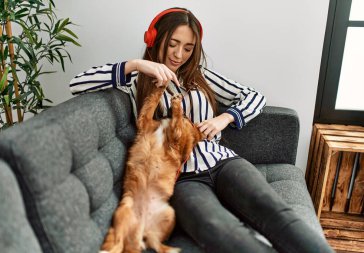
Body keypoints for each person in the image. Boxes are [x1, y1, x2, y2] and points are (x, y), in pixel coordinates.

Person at [69, 7, 334, 253]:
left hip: (223, 162)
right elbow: (77, 84)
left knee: (275, 213)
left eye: (187, 48)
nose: (178, 54)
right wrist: (137, 65)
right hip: (180, 178)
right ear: (154, 39)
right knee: (218, 230)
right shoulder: (136, 83)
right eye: (172, 44)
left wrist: (226, 118)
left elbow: (253, 96)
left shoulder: (200, 76)